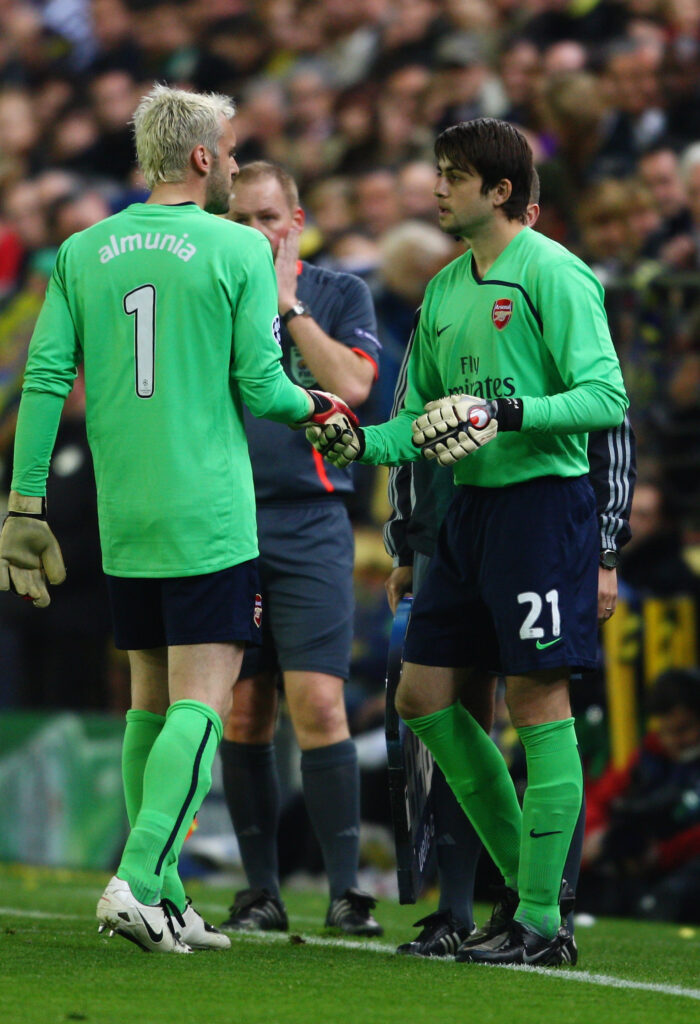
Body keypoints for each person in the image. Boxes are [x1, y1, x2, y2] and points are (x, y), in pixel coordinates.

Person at [0, 84, 354, 955]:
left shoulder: (83, 248)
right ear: (201, 158)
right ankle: (139, 875)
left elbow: (44, 382)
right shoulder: (236, 247)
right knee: (203, 698)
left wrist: (24, 505)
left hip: (127, 511)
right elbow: (264, 390)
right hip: (208, 510)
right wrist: (325, 408)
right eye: (227, 151)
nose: (232, 163)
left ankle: (174, 897)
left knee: (148, 703)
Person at [307, 117, 629, 966]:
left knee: (536, 703)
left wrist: (510, 411)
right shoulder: (445, 290)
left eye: (451, 175)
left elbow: (606, 397)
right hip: (466, 519)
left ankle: (538, 919)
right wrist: (358, 440)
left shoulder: (555, 274)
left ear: (500, 191)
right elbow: (418, 420)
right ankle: (526, 900)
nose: (436, 188)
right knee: (421, 698)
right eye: (437, 172)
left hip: (540, 507)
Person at [220, 161, 383, 936]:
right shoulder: (208, 296)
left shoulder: (337, 293)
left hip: (313, 519)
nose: (256, 232)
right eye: (241, 218)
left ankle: (346, 889)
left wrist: (287, 311)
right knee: (245, 711)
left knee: (319, 704)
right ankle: (260, 889)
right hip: (225, 517)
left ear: (298, 219)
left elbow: (352, 387)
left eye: (269, 218)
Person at [580, 667, 700, 923]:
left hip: (679, 865)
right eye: (666, 731)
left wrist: (660, 854)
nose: (674, 741)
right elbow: (603, 797)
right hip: (644, 861)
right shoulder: (650, 752)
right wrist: (594, 835)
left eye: (684, 729)